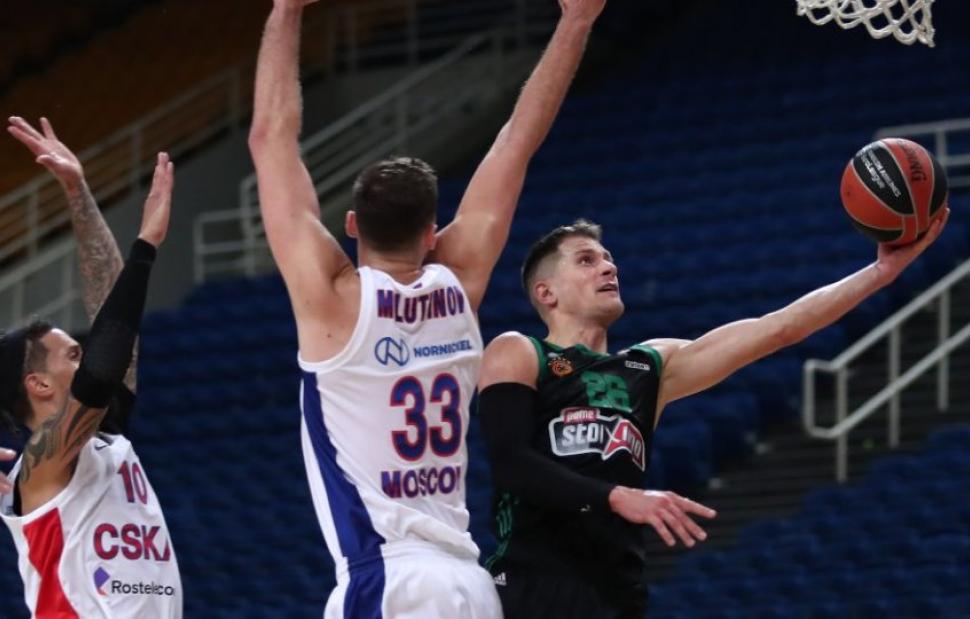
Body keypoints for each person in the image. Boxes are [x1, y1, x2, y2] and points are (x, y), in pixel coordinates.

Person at [247, 0, 607, 615]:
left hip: (389, 577)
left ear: (352, 224)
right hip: (468, 582)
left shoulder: (331, 300)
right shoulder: (460, 281)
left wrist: (286, 11)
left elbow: (269, 137)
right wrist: (576, 22)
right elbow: (517, 142)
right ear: (432, 232)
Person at [477, 213, 950, 619]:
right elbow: (510, 462)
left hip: (614, 589)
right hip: (531, 578)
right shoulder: (521, 351)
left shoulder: (648, 367)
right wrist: (615, 496)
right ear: (546, 292)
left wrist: (880, 273)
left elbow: (778, 329)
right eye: (586, 260)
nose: (608, 266)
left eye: (608, 258)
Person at [0, 116, 181, 618]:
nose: (87, 356)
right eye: (72, 355)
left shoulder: (106, 437)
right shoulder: (42, 462)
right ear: (38, 383)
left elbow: (108, 310)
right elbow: (102, 368)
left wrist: (78, 193)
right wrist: (145, 247)